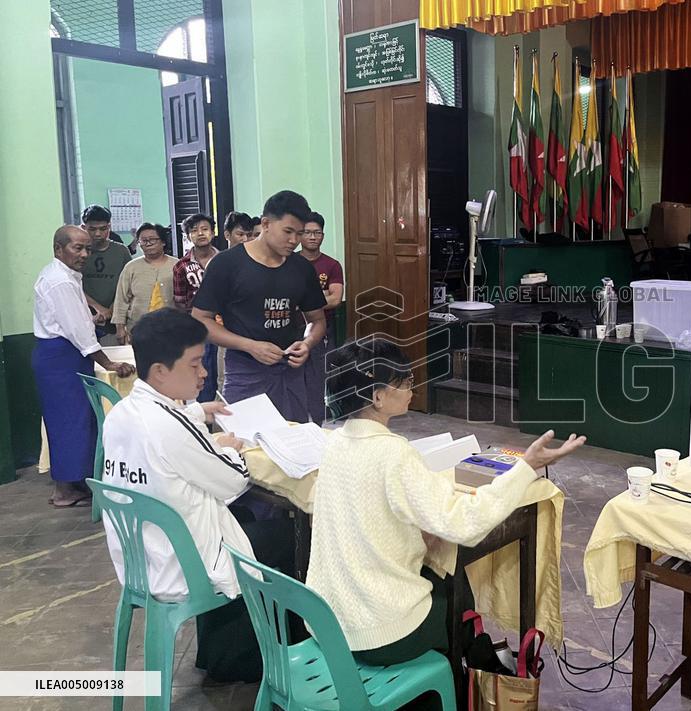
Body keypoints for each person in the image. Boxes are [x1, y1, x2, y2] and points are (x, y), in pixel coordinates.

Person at [307, 339, 586, 673]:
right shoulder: (394, 453)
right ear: (377, 397)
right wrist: (526, 467)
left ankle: (479, 665)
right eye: (404, 381)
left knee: (445, 579)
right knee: (458, 600)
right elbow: (465, 525)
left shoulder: (334, 443)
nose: (412, 387)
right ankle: (473, 676)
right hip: (377, 635)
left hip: (326, 622)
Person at [101, 307, 293, 681]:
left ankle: (218, 653)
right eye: (194, 365)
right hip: (183, 565)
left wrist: (198, 416)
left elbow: (169, 437)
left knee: (249, 521)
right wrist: (231, 449)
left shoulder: (121, 414)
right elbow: (233, 482)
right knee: (286, 535)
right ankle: (252, 661)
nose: (204, 372)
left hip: (141, 559)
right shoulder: (167, 426)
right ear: (160, 371)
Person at [192, 191, 327, 421]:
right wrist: (250, 346)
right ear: (265, 224)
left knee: (294, 440)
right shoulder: (227, 264)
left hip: (291, 371)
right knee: (246, 444)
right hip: (245, 370)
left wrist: (307, 343)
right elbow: (200, 320)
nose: (294, 241)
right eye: (288, 232)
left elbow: (317, 320)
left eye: (300, 233)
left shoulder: (301, 268)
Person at [32, 226, 135, 508]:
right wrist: (108, 362)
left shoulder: (65, 275)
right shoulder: (60, 281)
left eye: (87, 248)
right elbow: (78, 332)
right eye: (77, 248)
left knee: (79, 419)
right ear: (58, 249)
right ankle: (64, 490)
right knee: (69, 421)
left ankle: (77, 481)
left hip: (63, 355)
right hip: (60, 358)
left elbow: (76, 322)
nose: (84, 254)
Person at [299, 211, 344, 423]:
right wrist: (320, 295)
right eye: (307, 232)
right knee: (295, 378)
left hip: (323, 328)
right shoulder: (289, 262)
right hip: (292, 329)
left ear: (323, 236)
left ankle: (317, 425)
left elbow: (336, 299)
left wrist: (302, 299)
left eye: (317, 232)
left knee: (318, 378)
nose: (312, 237)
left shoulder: (332, 265)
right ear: (300, 235)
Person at [174, 213, 219, 401]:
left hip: (227, 325)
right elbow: (179, 301)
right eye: (194, 230)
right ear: (188, 236)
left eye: (205, 229)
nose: (200, 234)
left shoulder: (225, 260)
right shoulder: (181, 266)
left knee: (225, 373)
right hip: (198, 329)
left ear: (213, 232)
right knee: (204, 373)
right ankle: (206, 418)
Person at [111, 223, 177, 344]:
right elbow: (121, 299)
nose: (148, 243)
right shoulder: (131, 267)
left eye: (152, 240)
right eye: (143, 240)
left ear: (163, 242)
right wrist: (120, 328)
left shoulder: (176, 265)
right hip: (137, 329)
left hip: (171, 329)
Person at [81, 204, 132, 343]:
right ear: (83, 227)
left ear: (109, 227)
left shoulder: (121, 251)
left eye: (103, 229)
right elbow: (73, 285)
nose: (98, 234)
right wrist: (98, 308)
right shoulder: (78, 252)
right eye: (92, 229)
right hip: (83, 320)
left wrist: (111, 310)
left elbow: (127, 285)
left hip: (115, 324)